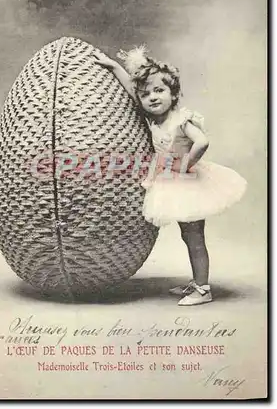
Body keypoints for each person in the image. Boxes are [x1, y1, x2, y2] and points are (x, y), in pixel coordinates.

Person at [94, 46, 247, 306]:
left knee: (195, 237)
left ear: (173, 93)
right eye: (146, 94)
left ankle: (203, 288)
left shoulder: (180, 119)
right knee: (188, 236)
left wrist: (186, 164)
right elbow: (132, 90)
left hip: (187, 184)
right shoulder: (154, 119)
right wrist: (112, 66)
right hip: (170, 181)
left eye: (159, 90)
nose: (152, 97)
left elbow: (202, 142)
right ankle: (197, 282)